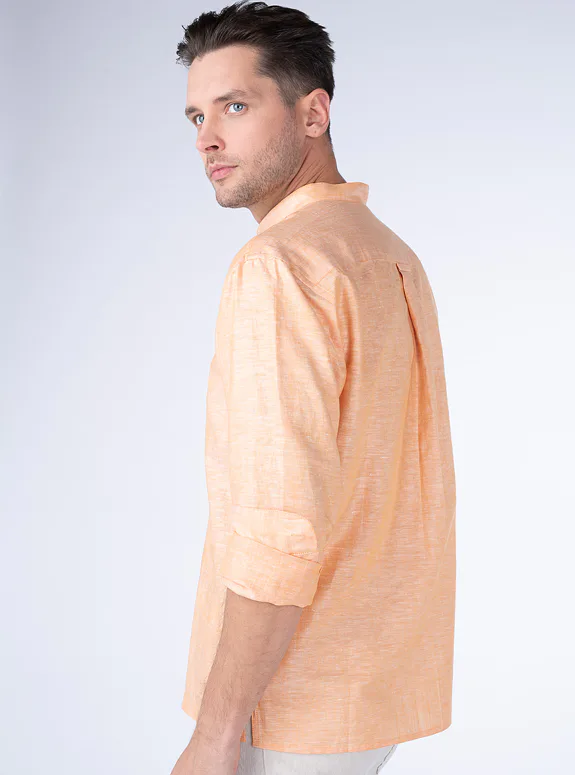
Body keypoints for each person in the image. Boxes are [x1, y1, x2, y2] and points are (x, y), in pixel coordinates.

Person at [170, 2, 456, 774]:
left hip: (287, 704)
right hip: (369, 691)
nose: (206, 138)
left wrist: (215, 731)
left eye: (234, 106)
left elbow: (280, 524)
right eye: (196, 115)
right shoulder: (385, 252)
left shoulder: (280, 264)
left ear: (312, 113)